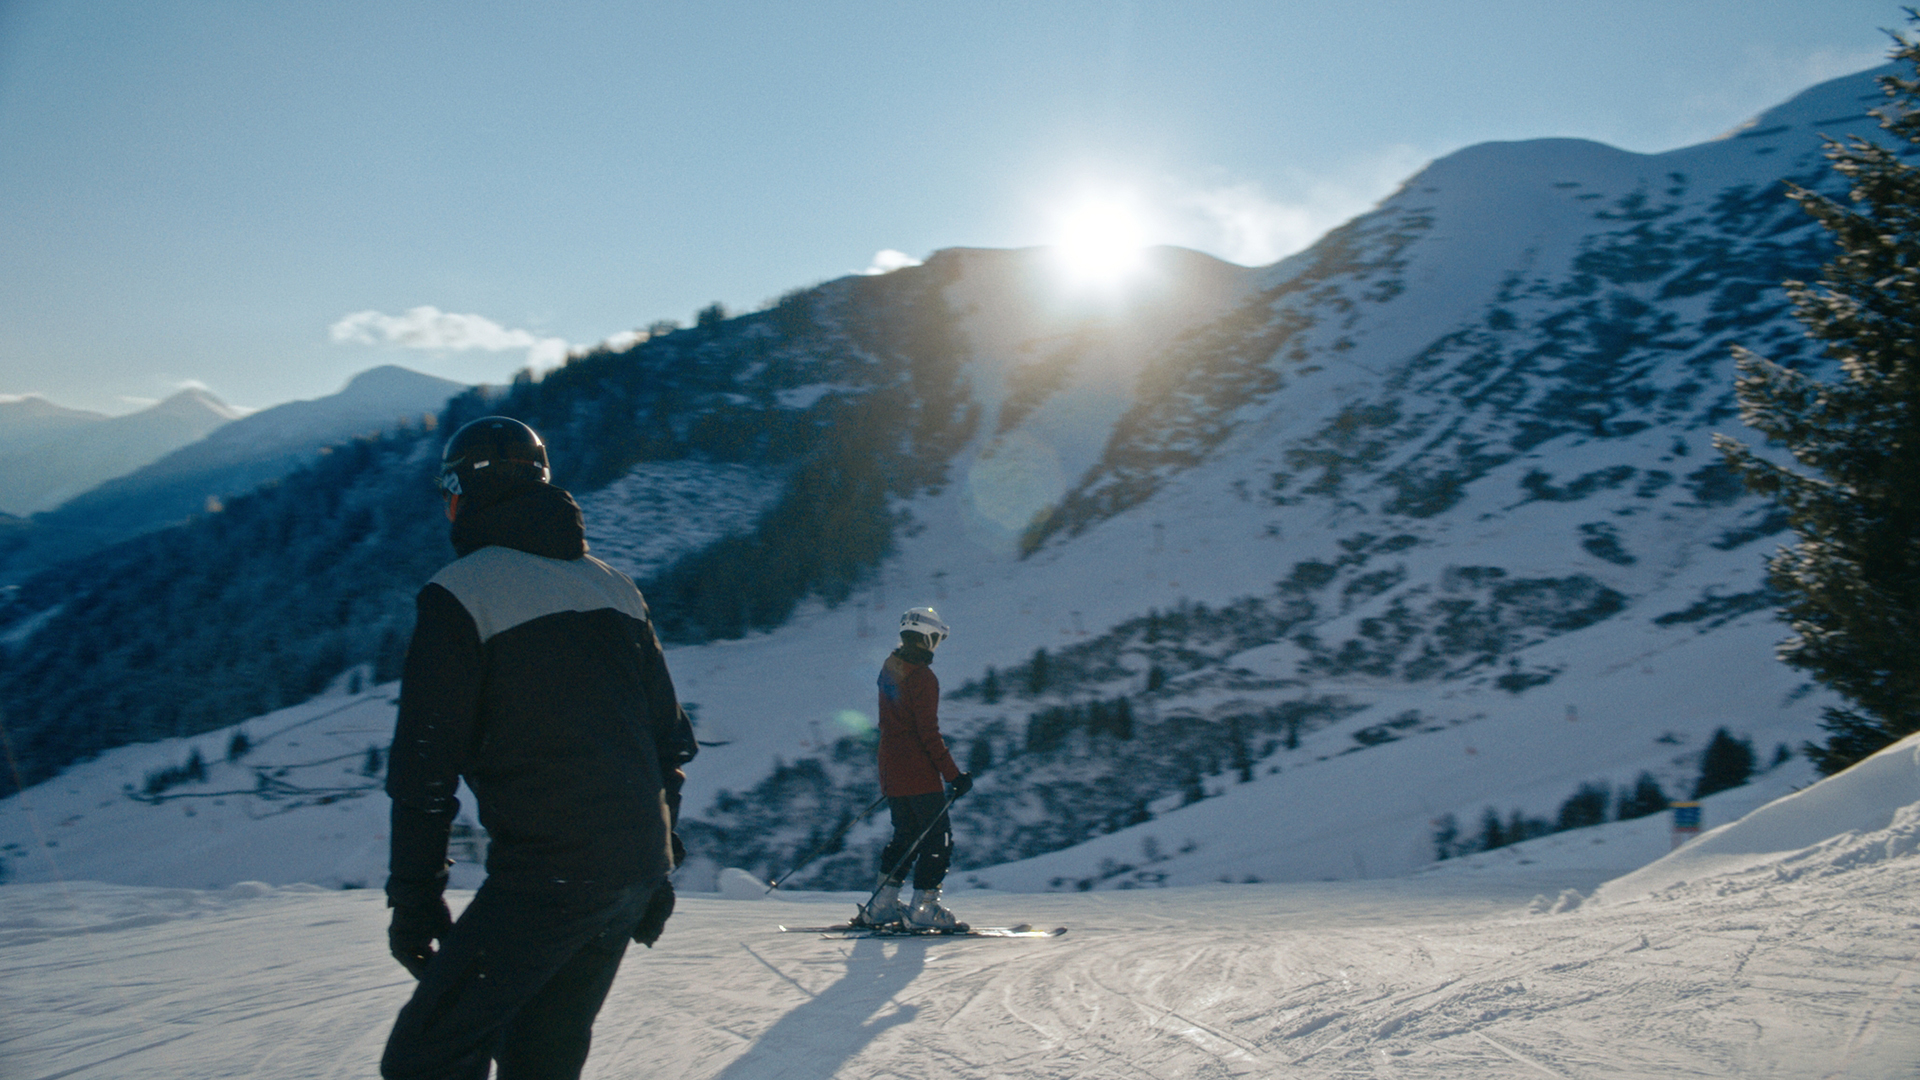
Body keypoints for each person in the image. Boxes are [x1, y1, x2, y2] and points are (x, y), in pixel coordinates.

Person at [381, 416, 698, 1080]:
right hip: (630, 871)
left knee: (426, 1055)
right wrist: (658, 867)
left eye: (447, 487)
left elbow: (424, 769)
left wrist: (415, 902)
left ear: (463, 492)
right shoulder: (614, 587)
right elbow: (667, 742)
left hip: (550, 878)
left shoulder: (461, 593)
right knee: (540, 1056)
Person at [859, 607, 972, 930]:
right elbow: (928, 733)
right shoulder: (923, 678)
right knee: (939, 839)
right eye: (936, 638)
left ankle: (880, 906)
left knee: (905, 836)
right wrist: (954, 776)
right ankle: (924, 909)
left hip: (890, 767)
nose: (936, 645)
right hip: (918, 772)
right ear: (927, 638)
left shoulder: (891, 666)